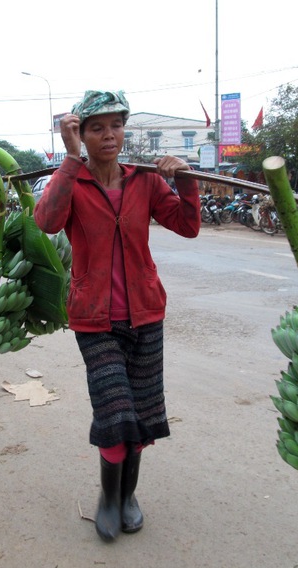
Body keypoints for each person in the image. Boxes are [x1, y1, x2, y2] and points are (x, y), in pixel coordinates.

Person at [33, 90, 201, 542]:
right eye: (97, 128)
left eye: (116, 125)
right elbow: (47, 222)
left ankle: (129, 496)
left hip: (147, 312)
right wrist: (69, 161)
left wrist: (183, 179)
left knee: (142, 411)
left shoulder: (143, 181)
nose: (109, 135)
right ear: (81, 134)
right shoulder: (71, 180)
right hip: (95, 317)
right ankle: (108, 499)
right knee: (114, 410)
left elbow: (187, 226)